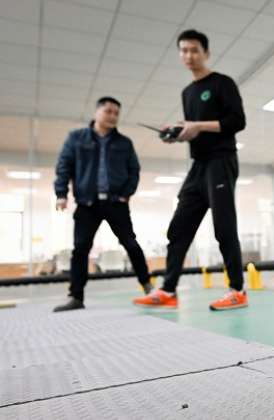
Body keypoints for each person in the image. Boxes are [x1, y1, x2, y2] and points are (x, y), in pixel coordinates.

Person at [133, 29, 248, 311]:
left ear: (206, 53)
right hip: (198, 165)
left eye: (194, 50)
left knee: (224, 227)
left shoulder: (222, 83)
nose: (188, 55)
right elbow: (193, 129)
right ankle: (168, 290)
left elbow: (237, 121)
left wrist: (198, 126)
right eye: (183, 50)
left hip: (221, 161)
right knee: (178, 228)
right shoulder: (187, 92)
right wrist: (178, 131)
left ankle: (237, 290)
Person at [53, 97, 152, 312]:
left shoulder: (124, 143)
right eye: (108, 111)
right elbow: (64, 165)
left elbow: (134, 171)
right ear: (97, 112)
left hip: (116, 202)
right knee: (80, 249)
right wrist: (61, 193)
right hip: (87, 203)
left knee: (131, 244)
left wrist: (126, 194)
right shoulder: (76, 138)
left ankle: (148, 287)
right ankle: (76, 297)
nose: (113, 116)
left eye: (116, 113)